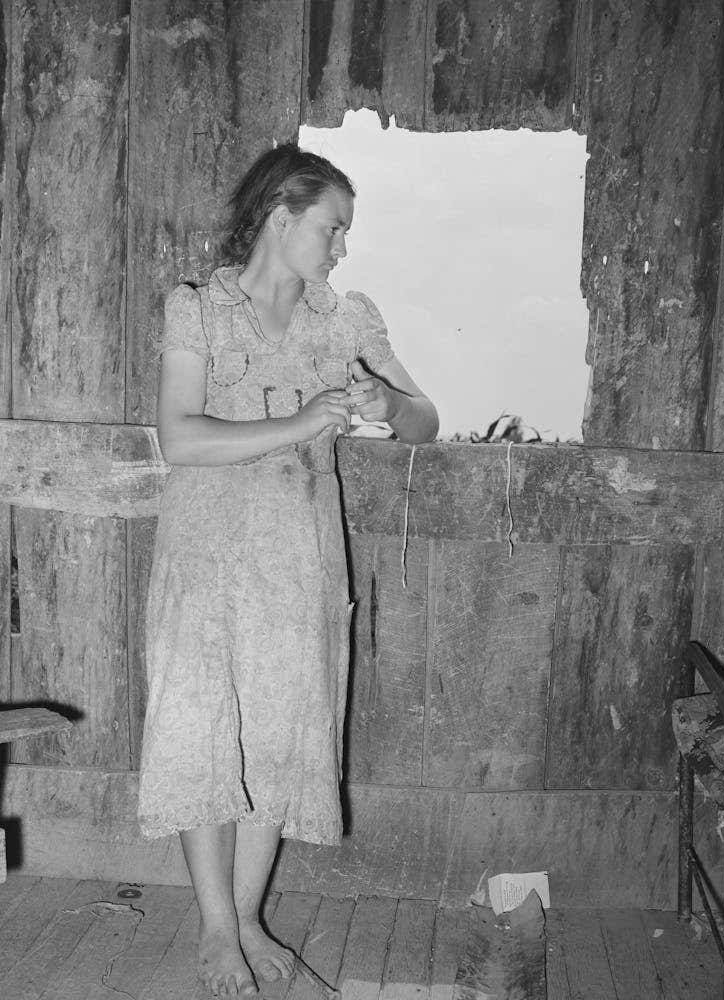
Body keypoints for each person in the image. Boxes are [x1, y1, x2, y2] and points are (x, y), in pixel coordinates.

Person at [137, 143, 438, 998]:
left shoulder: (345, 321)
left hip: (299, 560)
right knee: (202, 733)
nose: (342, 248)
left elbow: (426, 417)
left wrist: (388, 404)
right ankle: (217, 934)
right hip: (202, 556)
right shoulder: (196, 309)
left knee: (277, 735)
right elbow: (183, 439)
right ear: (281, 214)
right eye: (332, 227)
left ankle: (252, 920)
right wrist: (304, 422)